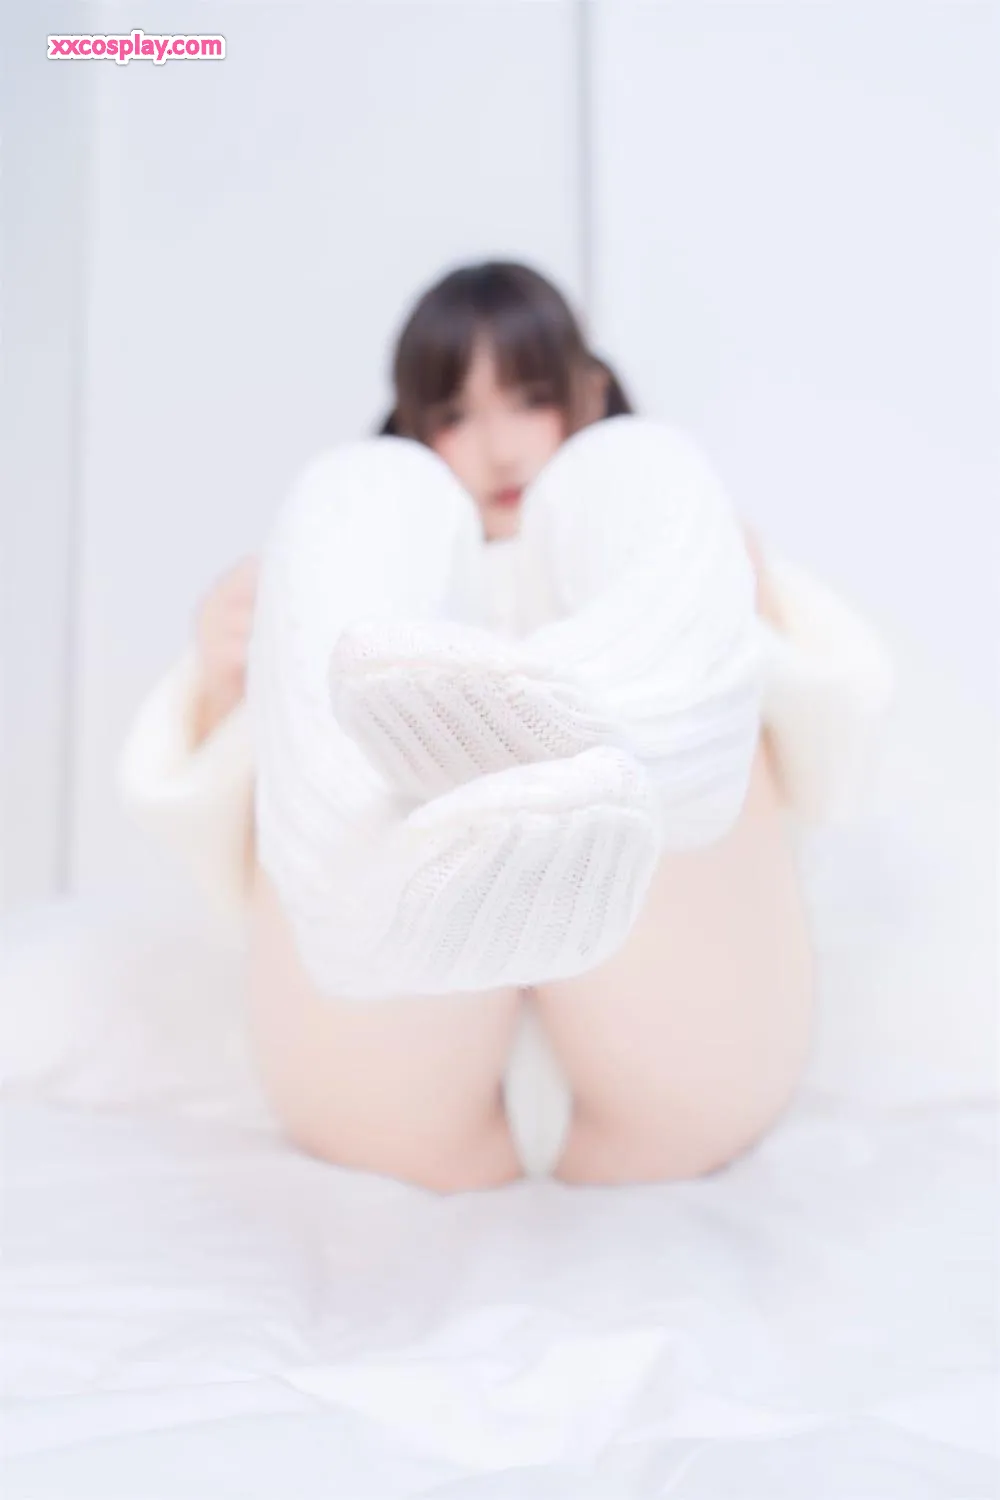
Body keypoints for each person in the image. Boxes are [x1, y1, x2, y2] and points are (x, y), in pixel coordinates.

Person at [120, 260, 894, 1193]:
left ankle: (629, 726)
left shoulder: (645, 521)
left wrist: (744, 600)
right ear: (417, 422)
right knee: (356, 488)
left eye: (530, 399)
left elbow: (831, 754)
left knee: (640, 466)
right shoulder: (373, 552)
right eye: (455, 415)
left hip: (679, 1044)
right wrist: (224, 682)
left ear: (588, 390)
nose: (500, 449)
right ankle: (390, 877)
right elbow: (217, 838)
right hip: (384, 1067)